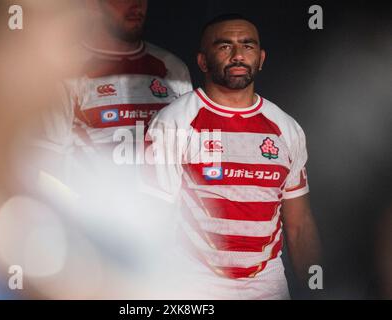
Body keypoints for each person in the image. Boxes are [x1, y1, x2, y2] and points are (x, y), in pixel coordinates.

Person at [146, 13, 322, 299]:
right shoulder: (174, 122)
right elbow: (153, 219)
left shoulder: (287, 129)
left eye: (248, 46)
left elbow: (299, 223)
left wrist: (319, 289)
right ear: (203, 61)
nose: (238, 55)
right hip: (193, 281)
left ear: (261, 58)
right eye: (225, 46)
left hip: (267, 282)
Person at [35, 0, 192, 165]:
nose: (137, 5)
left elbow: (185, 152)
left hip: (159, 190)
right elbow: (46, 162)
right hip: (90, 190)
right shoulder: (63, 70)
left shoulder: (173, 68)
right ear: (92, 4)